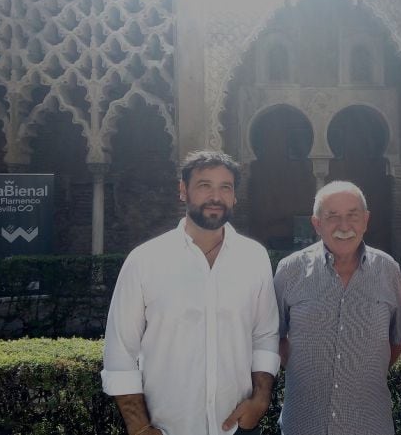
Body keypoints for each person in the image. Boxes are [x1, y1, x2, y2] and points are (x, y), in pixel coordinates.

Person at [101, 151, 280, 435]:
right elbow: (120, 350)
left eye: (225, 187)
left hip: (237, 428)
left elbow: (265, 335)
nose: (216, 196)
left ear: (234, 196)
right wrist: (139, 428)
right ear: (183, 191)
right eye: (204, 185)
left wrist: (260, 400)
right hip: (167, 428)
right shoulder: (146, 260)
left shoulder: (254, 257)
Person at [274, 181, 401, 435]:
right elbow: (273, 334)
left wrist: (361, 370)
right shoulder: (290, 270)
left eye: (352, 216)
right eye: (332, 216)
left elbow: (398, 338)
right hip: (304, 424)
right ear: (317, 224)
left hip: (370, 424)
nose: (344, 226)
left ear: (366, 220)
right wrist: (306, 368)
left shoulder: (388, 271)